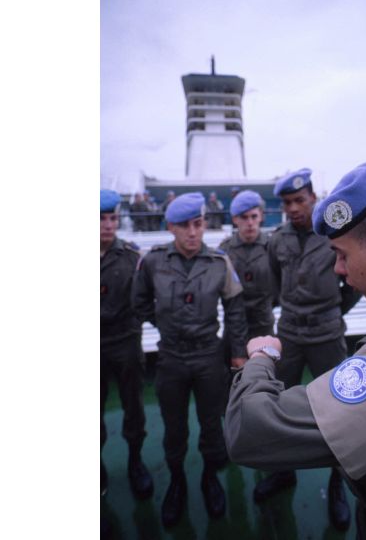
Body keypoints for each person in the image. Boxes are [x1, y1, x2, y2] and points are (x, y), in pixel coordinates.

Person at [224, 160, 366, 539]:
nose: (338, 268)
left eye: (343, 254)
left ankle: (335, 488)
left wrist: (261, 357)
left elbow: (249, 430)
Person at [253, 168, 362, 531]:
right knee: (278, 402)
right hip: (291, 333)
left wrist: (332, 312)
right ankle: (283, 472)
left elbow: (353, 283)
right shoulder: (277, 240)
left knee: (339, 410)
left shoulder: (333, 234)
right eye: (287, 203)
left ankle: (336, 485)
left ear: (314, 198)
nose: (294, 208)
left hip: (327, 335)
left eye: (300, 200)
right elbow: (274, 282)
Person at [131, 192, 248, 527]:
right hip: (170, 356)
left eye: (198, 224)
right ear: (170, 228)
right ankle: (177, 482)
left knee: (212, 424)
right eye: (185, 226)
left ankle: (210, 478)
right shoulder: (152, 261)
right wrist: (166, 325)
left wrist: (238, 353)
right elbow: (139, 303)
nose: (193, 232)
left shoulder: (218, 262)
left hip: (208, 356)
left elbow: (235, 310)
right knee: (174, 426)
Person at [100, 190, 153, 501]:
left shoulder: (132, 256)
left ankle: (136, 461)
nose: (108, 225)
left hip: (125, 342)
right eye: (101, 219)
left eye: (112, 218)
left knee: (134, 407)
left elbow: (145, 296)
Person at [219, 190, 275, 341]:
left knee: (265, 364)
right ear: (235, 219)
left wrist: (266, 305)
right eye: (244, 217)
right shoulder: (225, 250)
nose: (250, 223)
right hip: (234, 327)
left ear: (261, 217)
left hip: (263, 324)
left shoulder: (272, 247)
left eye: (254, 216)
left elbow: (282, 284)